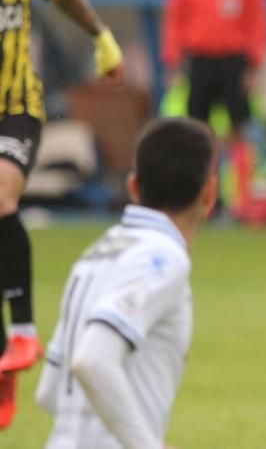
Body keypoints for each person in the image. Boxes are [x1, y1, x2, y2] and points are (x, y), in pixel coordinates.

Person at [0, 0, 125, 429]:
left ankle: (25, 331)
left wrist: (102, 36)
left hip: (16, 110)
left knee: (1, 194)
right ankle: (4, 365)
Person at [34, 117, 216, 448]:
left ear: (133, 187)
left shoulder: (97, 253)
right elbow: (91, 360)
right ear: (210, 192)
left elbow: (50, 392)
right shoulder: (160, 258)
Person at [161, 0, 266, 216]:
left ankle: (242, 199)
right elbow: (174, 22)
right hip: (200, 59)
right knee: (200, 133)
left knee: (239, 131)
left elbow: (257, 24)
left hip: (234, 61)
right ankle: (203, 197)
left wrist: (254, 65)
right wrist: (172, 61)